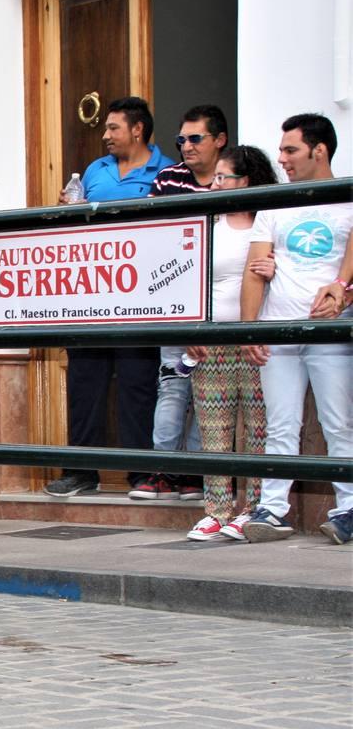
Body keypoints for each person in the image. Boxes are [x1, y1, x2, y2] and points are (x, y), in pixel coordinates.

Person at [46, 96, 168, 498]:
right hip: (94, 296)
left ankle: (142, 474)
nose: (106, 135)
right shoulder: (96, 169)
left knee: (137, 385)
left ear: (137, 129)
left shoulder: (164, 170)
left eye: (114, 127)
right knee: (85, 382)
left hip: (141, 295)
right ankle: (81, 472)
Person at [240, 113, 352, 545]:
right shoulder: (275, 204)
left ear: (318, 150)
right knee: (280, 423)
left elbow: (348, 277)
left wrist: (343, 294)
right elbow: (255, 268)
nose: (281, 159)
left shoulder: (347, 198)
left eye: (291, 150)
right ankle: (272, 510)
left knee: (339, 421)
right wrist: (250, 330)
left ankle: (349, 509)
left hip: (331, 330)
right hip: (280, 330)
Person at [134, 105, 232, 501]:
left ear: (219, 139)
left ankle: (196, 473)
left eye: (195, 139)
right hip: (176, 301)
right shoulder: (168, 178)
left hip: (225, 303)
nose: (186, 147)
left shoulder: (233, 175)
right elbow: (153, 237)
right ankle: (164, 471)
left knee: (210, 390)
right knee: (173, 385)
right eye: (181, 140)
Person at [181, 145, 276, 542]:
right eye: (215, 178)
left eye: (223, 178)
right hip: (213, 339)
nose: (215, 185)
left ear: (247, 181)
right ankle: (216, 510)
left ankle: (251, 509)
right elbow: (185, 279)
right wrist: (192, 330)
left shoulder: (270, 221)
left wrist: (276, 268)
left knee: (258, 430)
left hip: (256, 340)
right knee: (214, 428)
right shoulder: (207, 225)